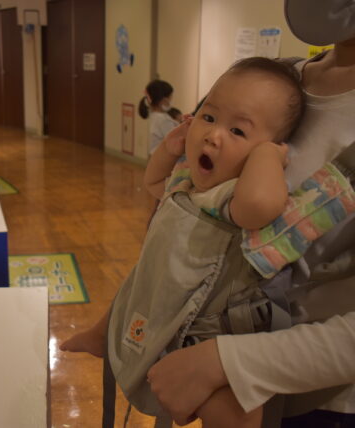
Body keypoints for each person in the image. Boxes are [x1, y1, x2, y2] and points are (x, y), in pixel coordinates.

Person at [64, 56, 319, 427]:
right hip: (159, 290)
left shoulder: (234, 196)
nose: (213, 134)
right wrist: (170, 149)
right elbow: (154, 183)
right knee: (127, 297)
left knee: (233, 405)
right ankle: (102, 335)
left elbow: (261, 205)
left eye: (238, 132)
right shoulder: (188, 182)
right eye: (209, 117)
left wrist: (267, 157)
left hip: (207, 329)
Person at [146, 2, 355, 427]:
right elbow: (189, 188)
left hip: (320, 402)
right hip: (210, 330)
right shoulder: (277, 78)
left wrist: (227, 363)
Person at [138, 80, 179, 155]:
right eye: (170, 98)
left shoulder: (154, 116)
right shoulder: (163, 120)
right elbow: (175, 141)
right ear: (164, 101)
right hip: (163, 159)